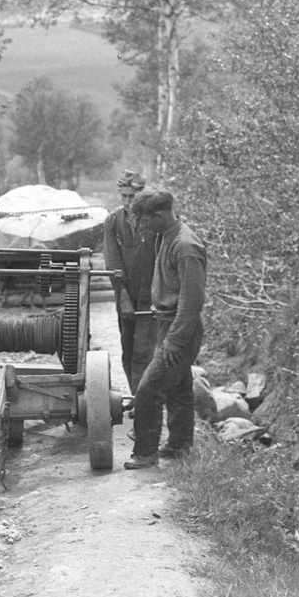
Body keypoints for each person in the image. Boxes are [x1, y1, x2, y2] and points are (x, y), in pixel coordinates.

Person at [123, 189, 207, 469]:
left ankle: (146, 453)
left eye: (146, 221)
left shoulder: (185, 246)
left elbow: (192, 300)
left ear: (159, 216)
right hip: (168, 324)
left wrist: (175, 340)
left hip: (180, 327)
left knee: (149, 391)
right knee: (178, 387)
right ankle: (180, 445)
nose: (144, 226)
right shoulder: (167, 236)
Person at [103, 169, 157, 396]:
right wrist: (122, 295)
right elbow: (113, 260)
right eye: (123, 196)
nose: (127, 202)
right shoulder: (113, 221)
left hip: (152, 294)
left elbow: (161, 259)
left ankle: (144, 403)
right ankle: (137, 396)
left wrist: (157, 296)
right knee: (128, 348)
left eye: (132, 197)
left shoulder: (154, 221)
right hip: (125, 293)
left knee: (143, 351)